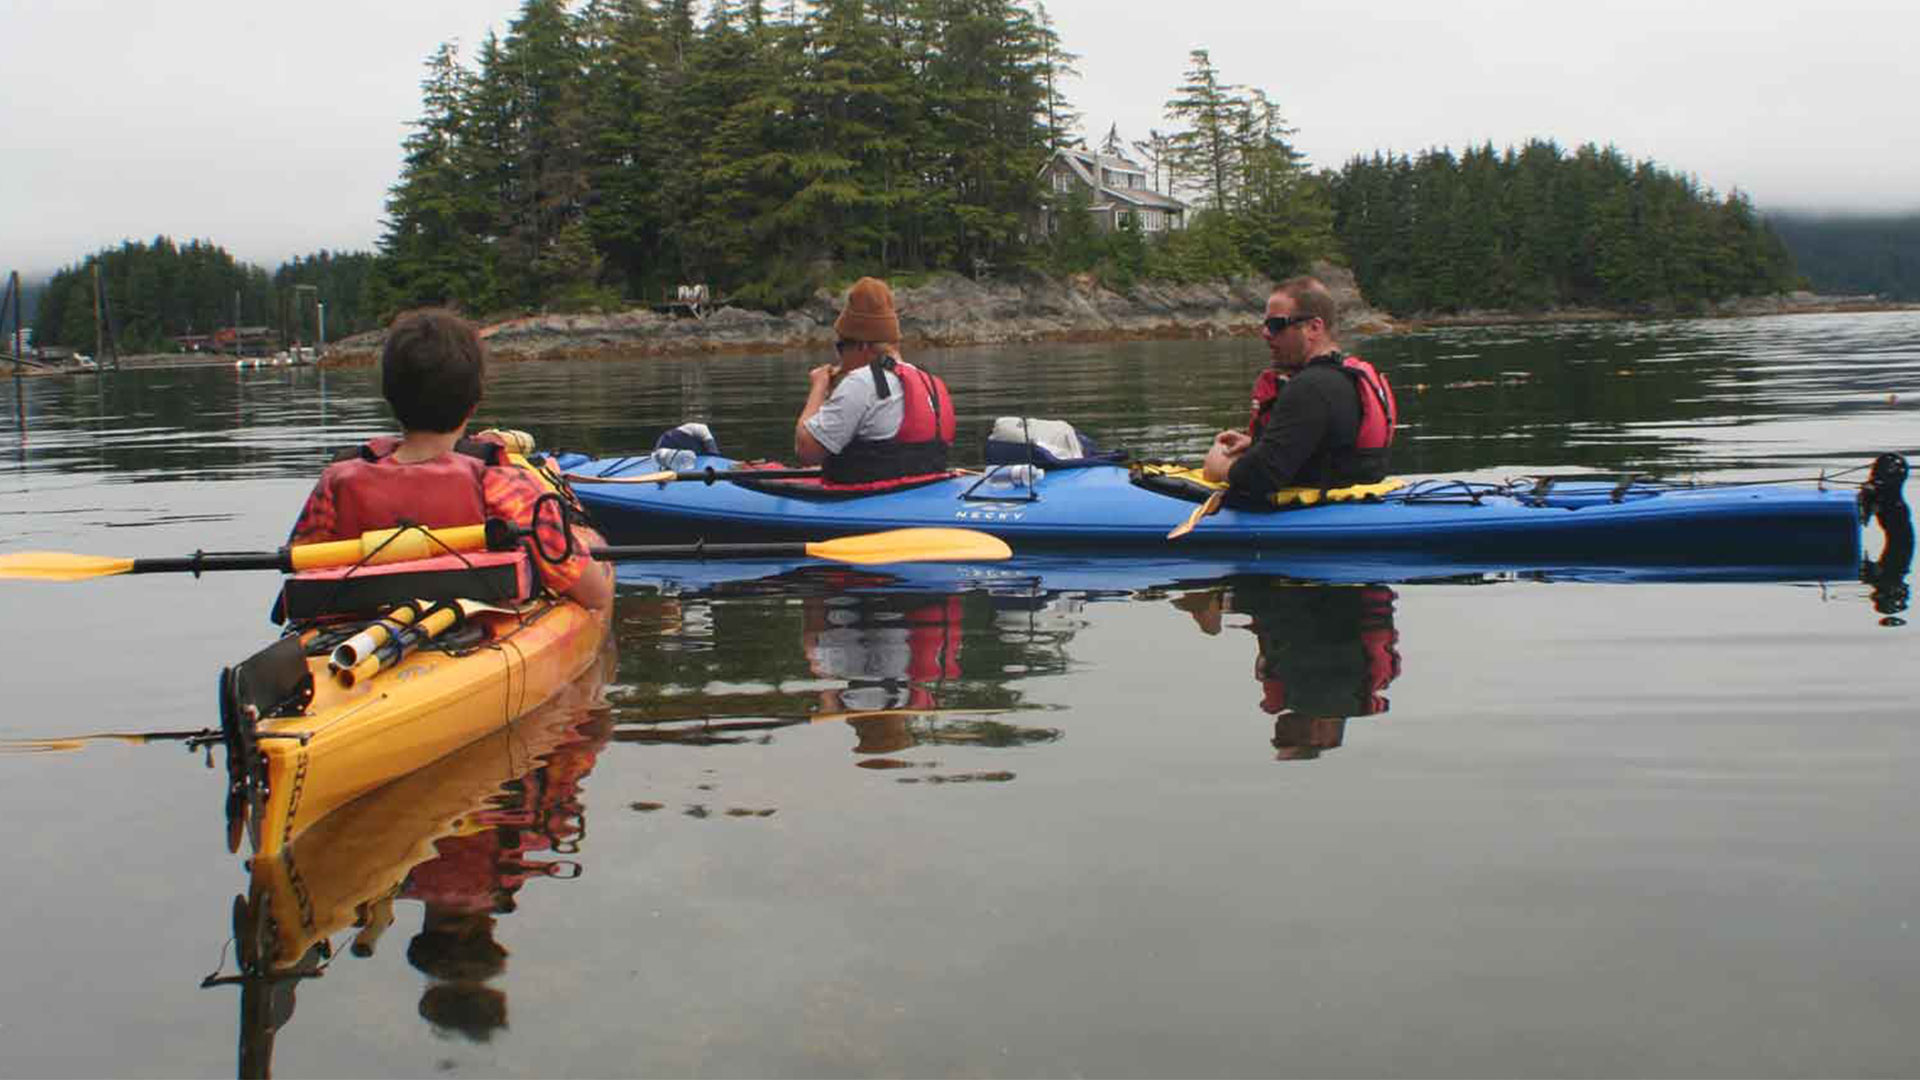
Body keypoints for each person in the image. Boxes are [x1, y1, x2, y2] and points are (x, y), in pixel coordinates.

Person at [288, 308, 614, 610]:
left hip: (358, 630)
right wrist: (587, 537)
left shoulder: (336, 481)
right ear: (475, 400)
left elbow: (303, 564)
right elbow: (595, 595)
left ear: (389, 396)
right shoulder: (501, 484)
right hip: (474, 637)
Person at [1202, 277, 1397, 500]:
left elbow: (1260, 477)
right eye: (1265, 325)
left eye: (1276, 325)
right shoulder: (1345, 378)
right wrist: (1258, 444)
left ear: (1314, 327)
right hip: (1358, 499)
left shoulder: (1309, 387)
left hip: (1322, 515)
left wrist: (1220, 469)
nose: (1266, 333)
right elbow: (1330, 449)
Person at [794, 277, 955, 486]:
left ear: (862, 346)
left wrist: (819, 387)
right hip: (925, 489)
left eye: (841, 347)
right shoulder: (931, 382)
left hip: (868, 498)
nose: (839, 358)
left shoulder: (860, 383)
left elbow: (807, 452)